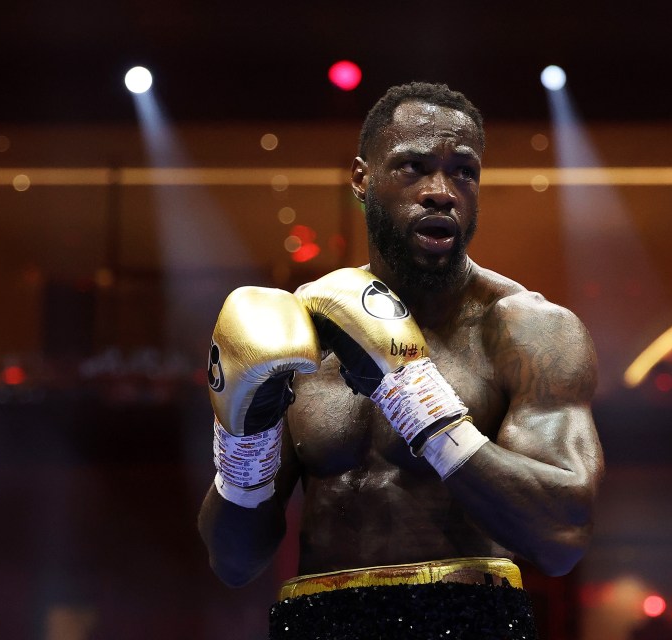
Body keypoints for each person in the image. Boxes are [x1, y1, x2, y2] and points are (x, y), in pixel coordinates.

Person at [198, 82, 604, 639]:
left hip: (469, 624)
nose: (441, 191)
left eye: (463, 171)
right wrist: (245, 447)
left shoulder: (528, 330)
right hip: (316, 623)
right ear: (363, 179)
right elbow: (235, 563)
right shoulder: (301, 333)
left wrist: (419, 402)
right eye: (413, 167)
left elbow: (561, 538)